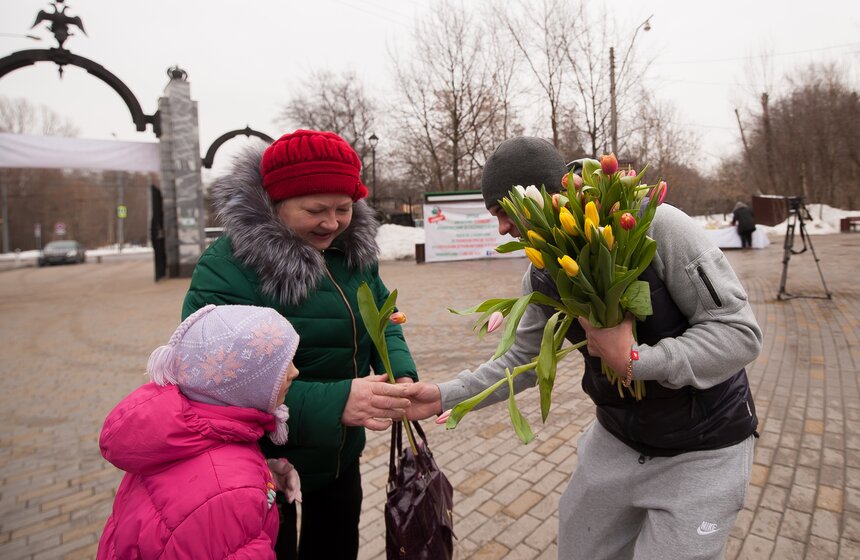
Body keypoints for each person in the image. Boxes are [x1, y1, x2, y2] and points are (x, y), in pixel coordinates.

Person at [407, 136, 762, 559]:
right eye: (494, 215)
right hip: (617, 440)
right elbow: (522, 357)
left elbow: (738, 334)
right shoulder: (542, 267)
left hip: (704, 447)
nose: (501, 227)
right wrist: (447, 395)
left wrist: (636, 361)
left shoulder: (659, 226)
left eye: (504, 211)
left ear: (542, 195)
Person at [182, 129, 418, 560]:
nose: (331, 223)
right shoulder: (228, 270)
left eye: (343, 209)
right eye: (315, 210)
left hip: (339, 458)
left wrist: (398, 368)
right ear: (275, 203)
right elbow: (216, 384)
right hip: (262, 468)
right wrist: (337, 402)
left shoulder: (352, 254)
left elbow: (384, 316)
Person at [97, 304, 302, 559]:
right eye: (280, 368)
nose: (295, 372)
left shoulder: (189, 436)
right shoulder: (229, 494)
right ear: (241, 386)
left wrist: (264, 477)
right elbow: (218, 500)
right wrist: (247, 487)